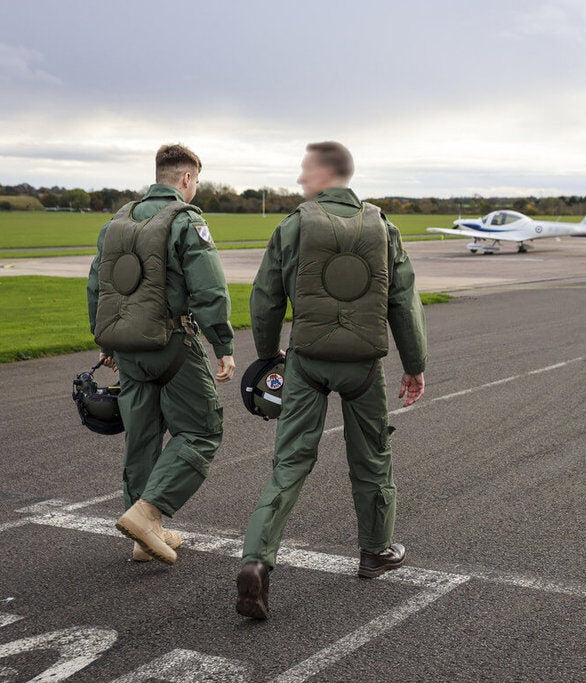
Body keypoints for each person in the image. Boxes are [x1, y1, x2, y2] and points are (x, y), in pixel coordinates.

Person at [236, 141, 427, 620]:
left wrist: (267, 357)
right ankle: (375, 551)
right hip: (363, 364)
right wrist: (414, 364)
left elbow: (265, 297)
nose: (301, 179)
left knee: (289, 462)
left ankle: (257, 560)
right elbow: (403, 302)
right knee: (372, 456)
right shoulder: (384, 228)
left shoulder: (295, 224)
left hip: (307, 360)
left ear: (328, 173)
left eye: (306, 171)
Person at [86, 143, 236, 565]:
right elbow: (208, 288)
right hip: (171, 345)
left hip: (126, 349)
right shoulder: (186, 221)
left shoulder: (116, 222)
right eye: (197, 181)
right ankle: (148, 515)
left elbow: (97, 287)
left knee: (142, 439)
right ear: (187, 179)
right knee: (202, 431)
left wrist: (106, 343)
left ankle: (143, 538)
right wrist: (222, 344)